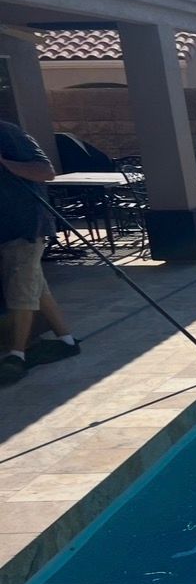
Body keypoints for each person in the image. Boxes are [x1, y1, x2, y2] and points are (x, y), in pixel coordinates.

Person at [0, 120, 81, 386]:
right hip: (8, 229)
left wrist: (5, 163)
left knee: (21, 292)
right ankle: (66, 341)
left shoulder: (9, 134)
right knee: (36, 287)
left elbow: (46, 172)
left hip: (25, 228)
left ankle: (17, 356)